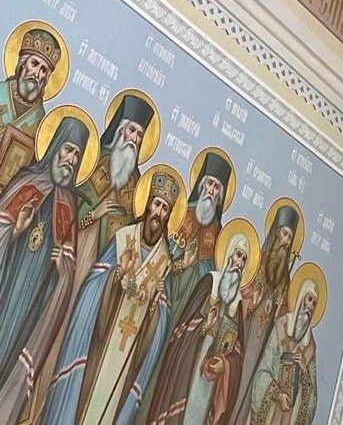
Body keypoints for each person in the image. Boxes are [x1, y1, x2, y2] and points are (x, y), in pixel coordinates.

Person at [42, 166, 182, 425]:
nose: (159, 213)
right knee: (85, 402)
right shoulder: (123, 238)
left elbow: (160, 326)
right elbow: (93, 282)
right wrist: (117, 275)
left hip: (128, 358)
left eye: (165, 209)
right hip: (101, 341)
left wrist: (157, 307)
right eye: (157, 204)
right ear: (148, 205)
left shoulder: (165, 262)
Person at [0, 111, 90, 425]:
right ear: (55, 147)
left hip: (33, 305)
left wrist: (64, 273)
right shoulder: (26, 181)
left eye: (77, 155)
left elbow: (68, 272)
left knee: (9, 360)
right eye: (68, 150)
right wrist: (15, 230)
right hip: (6, 285)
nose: (71, 160)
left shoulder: (69, 205)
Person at [142, 226, 254, 425]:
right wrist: (203, 328)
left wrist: (225, 365)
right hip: (190, 366)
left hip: (212, 384)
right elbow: (182, 330)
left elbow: (238, 354)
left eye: (244, 259)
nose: (240, 263)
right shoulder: (210, 282)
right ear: (229, 254)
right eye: (238, 255)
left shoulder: (237, 304)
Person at [229, 205, 300, 425]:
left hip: (263, 344)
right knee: (234, 380)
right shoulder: (258, 260)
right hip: (246, 332)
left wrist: (278, 311)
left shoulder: (286, 279)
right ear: (276, 232)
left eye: (290, 237)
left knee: (250, 387)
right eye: (284, 234)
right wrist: (254, 297)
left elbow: (283, 320)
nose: (286, 241)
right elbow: (242, 292)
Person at [77, 93, 157, 262]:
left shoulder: (136, 181)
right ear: (121, 130)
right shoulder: (97, 160)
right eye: (132, 130)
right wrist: (93, 215)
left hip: (109, 258)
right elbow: (73, 203)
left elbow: (133, 229)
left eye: (140, 135)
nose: (134, 139)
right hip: (81, 244)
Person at [166, 153, 234, 327]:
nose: (211, 190)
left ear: (220, 195)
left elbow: (213, 274)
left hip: (192, 302)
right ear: (202, 185)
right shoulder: (183, 213)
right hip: (167, 287)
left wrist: (195, 266)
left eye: (217, 187)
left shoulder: (218, 233)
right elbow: (164, 250)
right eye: (210, 183)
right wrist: (182, 263)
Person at [249, 274, 321, 425]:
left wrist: (304, 370)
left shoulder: (309, 347)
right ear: (301, 297)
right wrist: (278, 395)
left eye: (314, 303)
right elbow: (263, 371)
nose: (310, 307)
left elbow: (312, 398)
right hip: (270, 414)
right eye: (309, 299)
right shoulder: (281, 326)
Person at [0, 24, 63, 188]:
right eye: (34, 64)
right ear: (22, 64)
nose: (36, 73)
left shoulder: (42, 124)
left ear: (46, 78)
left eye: (43, 70)